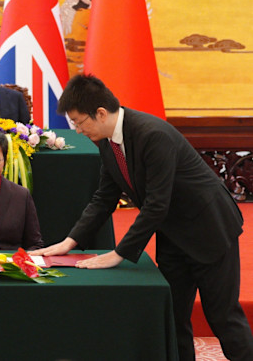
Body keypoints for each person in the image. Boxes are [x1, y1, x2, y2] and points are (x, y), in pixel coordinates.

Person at [30, 74, 253, 361]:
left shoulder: (152, 134)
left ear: (100, 113)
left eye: (79, 123)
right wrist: (69, 241)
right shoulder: (107, 140)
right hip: (173, 233)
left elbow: (156, 204)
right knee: (173, 316)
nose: (78, 130)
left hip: (209, 228)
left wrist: (119, 253)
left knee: (222, 316)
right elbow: (104, 199)